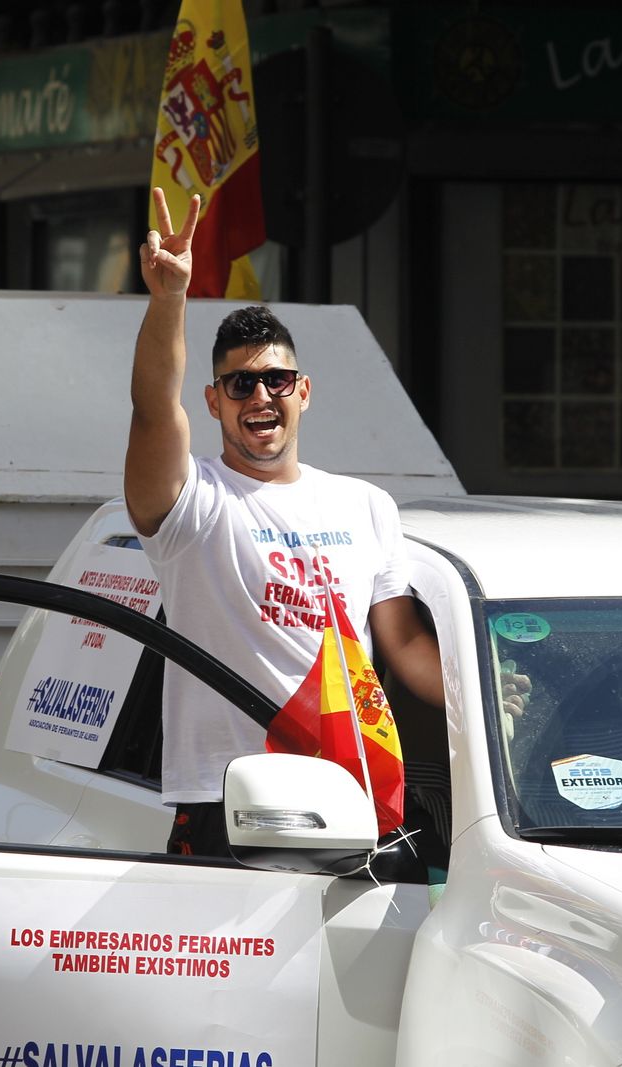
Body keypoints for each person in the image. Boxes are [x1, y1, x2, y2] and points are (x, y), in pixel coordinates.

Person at [125, 189, 445, 857]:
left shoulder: (366, 505)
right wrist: (169, 300)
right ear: (213, 401)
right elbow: (155, 408)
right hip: (228, 802)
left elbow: (408, 650)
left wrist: (498, 702)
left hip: (349, 797)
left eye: (276, 381)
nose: (260, 396)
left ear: (303, 391)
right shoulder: (194, 501)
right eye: (239, 385)